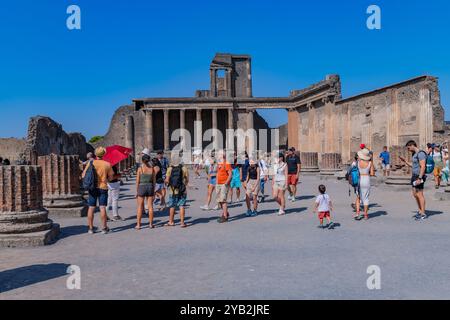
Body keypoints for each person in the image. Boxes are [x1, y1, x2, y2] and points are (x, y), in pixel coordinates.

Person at [82, 147, 114, 234]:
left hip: (92, 188)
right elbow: (111, 178)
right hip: (103, 187)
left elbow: (83, 175)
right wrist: (106, 179)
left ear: (95, 154)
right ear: (104, 154)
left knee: (91, 207)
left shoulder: (91, 163)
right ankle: (104, 228)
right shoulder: (107, 164)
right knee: (102, 207)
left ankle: (91, 228)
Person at [400, 140, 427, 220]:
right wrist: (405, 161)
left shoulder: (421, 153)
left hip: (419, 176)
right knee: (415, 194)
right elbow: (414, 165)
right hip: (414, 176)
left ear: (412, 145)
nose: (408, 150)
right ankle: (419, 211)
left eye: (408, 148)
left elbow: (423, 166)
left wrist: (420, 178)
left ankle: (423, 213)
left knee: (419, 194)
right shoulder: (414, 154)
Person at [165, 153, 189, 228]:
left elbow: (167, 180)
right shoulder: (184, 168)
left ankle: (171, 221)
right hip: (182, 190)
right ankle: (182, 223)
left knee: (172, 206)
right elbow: (187, 180)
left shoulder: (170, 168)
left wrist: (167, 184)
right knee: (181, 206)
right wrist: (184, 185)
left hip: (172, 190)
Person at [136, 154, 158, 229]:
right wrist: (154, 190)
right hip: (150, 187)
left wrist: (137, 191)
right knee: (150, 206)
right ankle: (151, 224)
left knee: (139, 207)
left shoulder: (140, 169)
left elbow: (137, 181)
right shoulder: (152, 169)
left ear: (142, 160)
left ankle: (138, 225)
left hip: (142, 187)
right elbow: (154, 181)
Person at [355, 148, 374, 220]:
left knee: (358, 197)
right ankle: (365, 215)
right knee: (366, 197)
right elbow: (372, 174)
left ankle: (357, 213)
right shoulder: (370, 163)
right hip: (366, 179)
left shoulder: (358, 162)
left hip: (359, 179)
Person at [216, 150, 232, 223]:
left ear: (223, 155)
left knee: (223, 200)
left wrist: (226, 183)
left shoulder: (227, 163)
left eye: (219, 154)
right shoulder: (219, 163)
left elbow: (230, 174)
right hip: (218, 184)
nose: (217, 155)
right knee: (219, 200)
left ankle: (225, 216)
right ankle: (226, 212)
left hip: (224, 184)